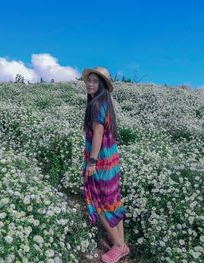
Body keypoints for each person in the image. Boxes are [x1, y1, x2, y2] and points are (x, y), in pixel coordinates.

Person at [81, 66, 130, 263]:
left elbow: (98, 134)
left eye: (94, 81)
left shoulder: (96, 105)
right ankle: (122, 244)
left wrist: (91, 162)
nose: (90, 84)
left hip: (100, 163)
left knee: (100, 204)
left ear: (102, 85)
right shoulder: (105, 103)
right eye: (88, 80)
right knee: (113, 201)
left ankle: (118, 246)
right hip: (111, 162)